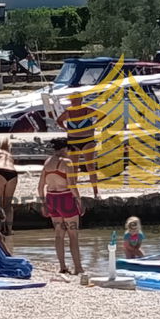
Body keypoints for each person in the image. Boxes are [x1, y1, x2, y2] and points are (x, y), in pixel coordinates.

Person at [38, 137, 84, 275]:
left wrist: (43, 203)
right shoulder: (66, 162)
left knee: (59, 235)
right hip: (65, 198)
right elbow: (72, 185)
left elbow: (40, 187)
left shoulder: (47, 162)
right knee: (73, 235)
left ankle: (62, 266)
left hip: (51, 198)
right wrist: (79, 201)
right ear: (65, 149)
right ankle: (78, 268)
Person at [57, 93, 100, 198]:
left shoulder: (87, 110)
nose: (73, 101)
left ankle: (96, 192)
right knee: (73, 167)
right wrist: (65, 129)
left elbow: (102, 115)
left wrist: (94, 125)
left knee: (90, 166)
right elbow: (59, 120)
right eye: (72, 100)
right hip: (73, 141)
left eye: (75, 99)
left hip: (87, 140)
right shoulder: (68, 112)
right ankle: (73, 193)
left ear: (80, 100)